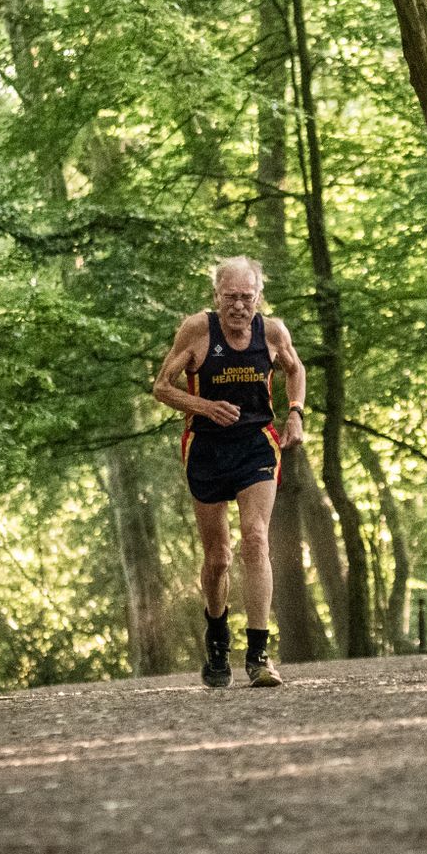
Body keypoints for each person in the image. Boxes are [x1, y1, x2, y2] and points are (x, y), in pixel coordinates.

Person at [152, 255, 307, 689]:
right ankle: (217, 637)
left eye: (247, 297)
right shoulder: (196, 331)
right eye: (230, 297)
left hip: (256, 443)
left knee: (255, 539)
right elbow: (162, 387)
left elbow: (295, 370)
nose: (239, 306)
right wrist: (205, 406)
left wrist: (296, 413)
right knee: (218, 557)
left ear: (259, 296)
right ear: (216, 296)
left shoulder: (272, 333)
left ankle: (258, 655)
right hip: (206, 446)